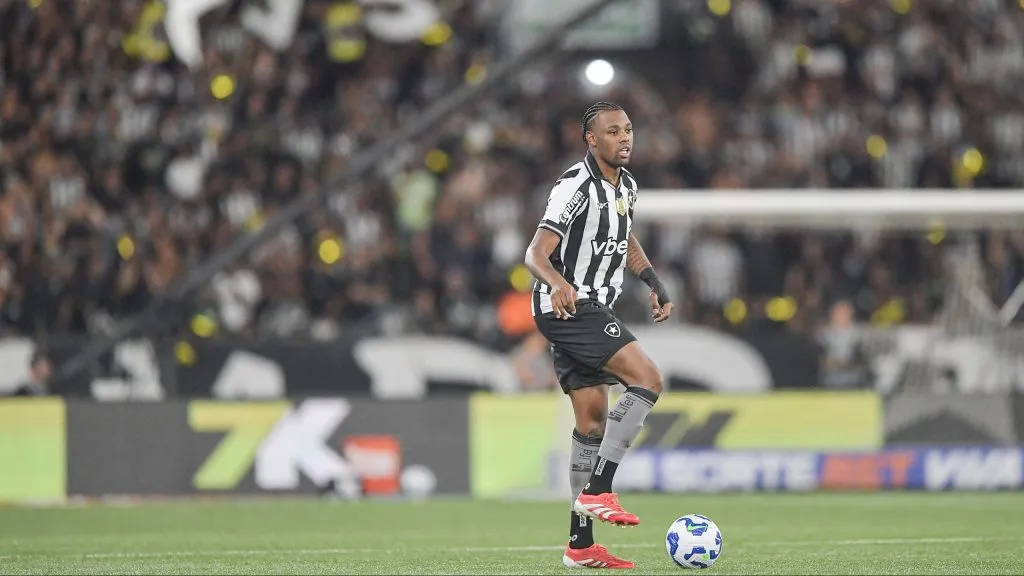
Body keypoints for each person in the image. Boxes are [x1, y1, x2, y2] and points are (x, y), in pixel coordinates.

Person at [523, 102, 673, 569]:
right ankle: (600, 489)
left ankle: (580, 545)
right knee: (648, 378)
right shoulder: (574, 186)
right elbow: (535, 252)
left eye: (628, 129)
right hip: (569, 305)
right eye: (612, 131)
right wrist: (558, 282)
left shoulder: (626, 185)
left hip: (592, 306)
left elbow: (624, 239)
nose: (624, 138)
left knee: (591, 425)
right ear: (591, 139)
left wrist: (653, 281)